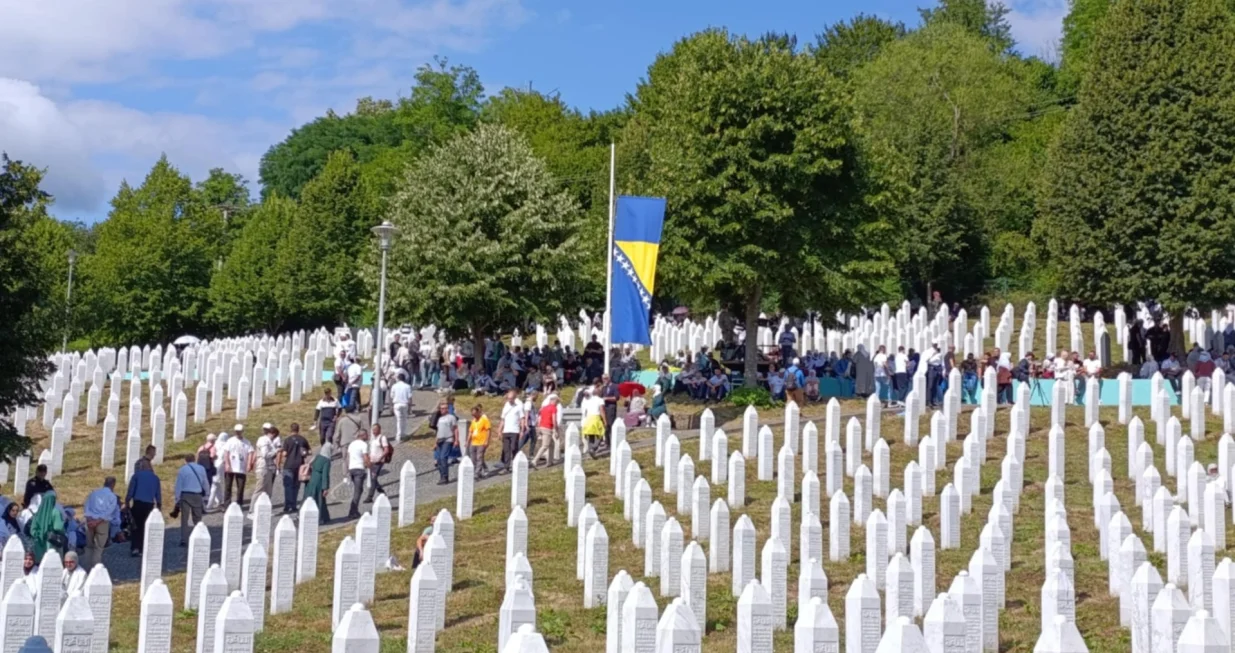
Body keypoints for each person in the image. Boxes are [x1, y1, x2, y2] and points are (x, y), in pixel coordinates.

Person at [83, 477, 120, 568]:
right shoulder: (112, 497)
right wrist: (97, 521)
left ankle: (86, 567)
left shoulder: (94, 493)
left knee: (89, 546)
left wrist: (90, 519)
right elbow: (109, 511)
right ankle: (95, 568)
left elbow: (86, 506)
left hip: (90, 521)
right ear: (113, 485)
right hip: (102, 522)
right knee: (99, 547)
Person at [125, 465, 161, 557]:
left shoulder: (136, 476)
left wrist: (127, 501)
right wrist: (159, 506)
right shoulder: (155, 478)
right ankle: (142, 548)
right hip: (149, 505)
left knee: (136, 527)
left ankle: (135, 548)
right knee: (146, 527)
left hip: (138, 504)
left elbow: (131, 490)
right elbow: (158, 494)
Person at [173, 453, 208, 545]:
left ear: (185, 460)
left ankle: (184, 539)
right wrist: (206, 495)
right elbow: (205, 483)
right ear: (194, 459)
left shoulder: (183, 470)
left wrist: (177, 498)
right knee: (197, 517)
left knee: (184, 518)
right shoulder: (201, 469)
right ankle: (199, 536)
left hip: (185, 495)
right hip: (197, 495)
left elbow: (178, 485)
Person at [279, 424, 311, 514]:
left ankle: (287, 506)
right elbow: (309, 451)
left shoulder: (288, 440)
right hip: (300, 465)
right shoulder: (303, 439)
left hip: (289, 465)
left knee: (288, 486)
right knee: (296, 486)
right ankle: (293, 505)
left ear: (291, 429)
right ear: (298, 429)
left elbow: (285, 454)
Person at [30, 490, 66, 563]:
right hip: (52, 543)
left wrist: (40, 534)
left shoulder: (37, 514)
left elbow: (32, 531)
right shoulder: (55, 512)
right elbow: (58, 527)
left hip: (38, 544)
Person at [222, 424, 254, 506]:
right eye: (237, 431)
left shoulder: (246, 442)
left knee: (241, 486)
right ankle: (227, 503)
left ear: (242, 431)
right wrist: (227, 464)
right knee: (228, 486)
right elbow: (226, 453)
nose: (238, 433)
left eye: (239, 431)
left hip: (241, 467)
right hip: (231, 466)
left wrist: (249, 464)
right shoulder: (230, 441)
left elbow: (250, 453)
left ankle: (239, 502)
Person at [304, 443, 333, 524]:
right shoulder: (326, 461)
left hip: (312, 479)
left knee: (309, 497)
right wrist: (325, 487)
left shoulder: (317, 457)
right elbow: (325, 475)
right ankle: (320, 518)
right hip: (319, 481)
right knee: (319, 500)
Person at [499, 390, 526, 473]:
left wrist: (522, 430)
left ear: (514, 398)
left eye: (511, 398)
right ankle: (506, 467)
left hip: (515, 430)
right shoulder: (506, 406)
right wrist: (500, 430)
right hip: (506, 430)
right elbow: (502, 419)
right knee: (506, 449)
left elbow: (522, 419)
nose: (509, 400)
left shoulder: (518, 407)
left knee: (514, 447)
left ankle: (515, 463)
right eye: (508, 398)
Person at [346, 430, 370, 520]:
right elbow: (365, 458)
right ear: (363, 435)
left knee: (359, 490)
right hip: (359, 469)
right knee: (358, 491)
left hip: (352, 469)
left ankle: (355, 510)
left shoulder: (351, 444)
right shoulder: (363, 445)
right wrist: (369, 465)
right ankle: (352, 511)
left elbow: (348, 458)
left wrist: (348, 469)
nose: (368, 436)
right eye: (367, 435)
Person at [531, 395, 560, 468]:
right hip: (548, 428)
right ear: (553, 401)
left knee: (551, 444)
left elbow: (539, 417)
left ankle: (550, 461)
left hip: (542, 426)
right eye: (557, 402)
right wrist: (556, 430)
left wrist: (538, 427)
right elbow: (554, 419)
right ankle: (535, 460)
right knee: (545, 445)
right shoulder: (553, 408)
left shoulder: (544, 408)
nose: (557, 404)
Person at [434, 403, 459, 485]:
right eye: (441, 408)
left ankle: (445, 477)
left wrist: (456, 440)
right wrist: (435, 442)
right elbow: (438, 431)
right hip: (439, 440)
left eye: (444, 408)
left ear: (447, 409)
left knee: (443, 457)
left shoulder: (451, 417)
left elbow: (455, 429)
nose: (442, 410)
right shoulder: (440, 419)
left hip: (448, 439)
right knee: (439, 460)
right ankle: (441, 476)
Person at [254, 424, 280, 500]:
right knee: (259, 489)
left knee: (268, 490)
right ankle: (252, 509)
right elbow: (265, 454)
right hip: (263, 467)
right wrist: (276, 451)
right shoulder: (264, 440)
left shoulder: (269, 441)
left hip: (269, 467)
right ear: (273, 434)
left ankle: (265, 507)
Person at [367, 424, 391, 502]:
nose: (374, 431)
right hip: (372, 461)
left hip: (378, 461)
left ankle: (370, 496)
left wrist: (380, 457)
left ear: (379, 430)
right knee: (373, 478)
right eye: (373, 430)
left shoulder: (382, 438)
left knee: (373, 478)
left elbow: (386, 450)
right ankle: (382, 492)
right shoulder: (373, 439)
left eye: (375, 430)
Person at [580, 387, 607, 457]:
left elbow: (585, 411)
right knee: (601, 434)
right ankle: (594, 448)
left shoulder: (588, 400)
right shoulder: (600, 400)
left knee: (590, 436)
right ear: (599, 393)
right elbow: (602, 411)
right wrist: (605, 421)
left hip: (588, 418)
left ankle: (590, 451)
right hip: (595, 418)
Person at [469, 405, 492, 477]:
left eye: (475, 414)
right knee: (473, 458)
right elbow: (471, 431)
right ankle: (483, 469)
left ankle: (477, 473)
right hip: (473, 442)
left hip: (482, 442)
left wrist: (487, 441)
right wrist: (467, 441)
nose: (474, 416)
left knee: (479, 457)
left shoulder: (484, 419)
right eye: (473, 415)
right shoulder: (473, 421)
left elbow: (488, 430)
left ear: (478, 412)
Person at [390, 374, 413, 440]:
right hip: (405, 404)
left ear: (398, 378)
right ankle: (403, 433)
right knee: (404, 419)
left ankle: (398, 435)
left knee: (399, 420)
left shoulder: (394, 386)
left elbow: (392, 396)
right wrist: (410, 407)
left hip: (396, 404)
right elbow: (410, 397)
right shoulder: (407, 386)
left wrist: (391, 406)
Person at [600, 374, 620, 448]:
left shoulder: (614, 386)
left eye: (605, 378)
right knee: (605, 425)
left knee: (610, 424)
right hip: (604, 407)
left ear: (609, 378)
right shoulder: (603, 388)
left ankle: (612, 442)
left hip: (611, 407)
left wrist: (607, 398)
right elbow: (601, 397)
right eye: (603, 378)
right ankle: (607, 442)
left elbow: (616, 397)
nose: (604, 380)